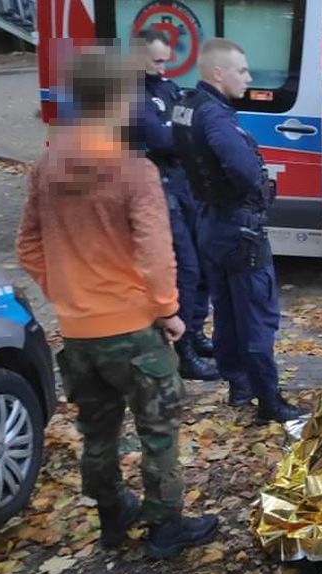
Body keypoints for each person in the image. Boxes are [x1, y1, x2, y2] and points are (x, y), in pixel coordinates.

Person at [16, 46, 218, 558]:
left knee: (97, 431)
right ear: (118, 99)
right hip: (133, 330)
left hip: (79, 332)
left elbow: (28, 246)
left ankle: (112, 516)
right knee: (158, 429)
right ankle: (165, 526)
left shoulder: (46, 167)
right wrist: (169, 311)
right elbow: (156, 251)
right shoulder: (134, 171)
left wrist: (67, 294)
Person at [171, 38, 307, 424]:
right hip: (239, 228)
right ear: (219, 73)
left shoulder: (188, 105)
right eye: (242, 71)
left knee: (227, 312)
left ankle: (239, 387)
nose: (248, 78)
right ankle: (269, 400)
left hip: (211, 223)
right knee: (257, 316)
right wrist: (253, 192)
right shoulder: (217, 117)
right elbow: (245, 171)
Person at [132, 28, 218, 382]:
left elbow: (186, 125)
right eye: (157, 61)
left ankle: (194, 333)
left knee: (203, 266)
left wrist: (180, 130)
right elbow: (161, 138)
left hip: (185, 184)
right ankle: (182, 351)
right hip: (158, 188)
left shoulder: (167, 88)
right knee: (186, 269)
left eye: (165, 60)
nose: (163, 67)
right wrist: (182, 130)